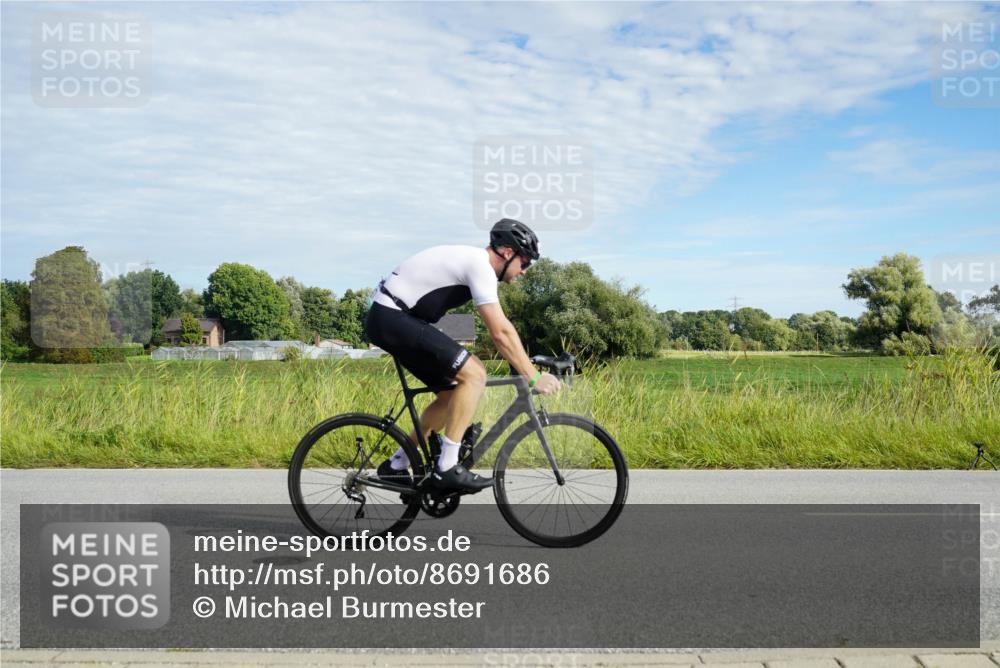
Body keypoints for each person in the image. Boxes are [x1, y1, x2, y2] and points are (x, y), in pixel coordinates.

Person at [364, 218, 561, 493]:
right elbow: (500, 333)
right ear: (507, 252)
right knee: (475, 374)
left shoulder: (477, 266)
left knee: (452, 392)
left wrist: (528, 363)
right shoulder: (479, 265)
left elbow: (505, 328)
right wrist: (533, 376)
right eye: (525, 262)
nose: (525, 271)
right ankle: (446, 467)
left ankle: (396, 465)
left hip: (395, 318)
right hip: (393, 316)